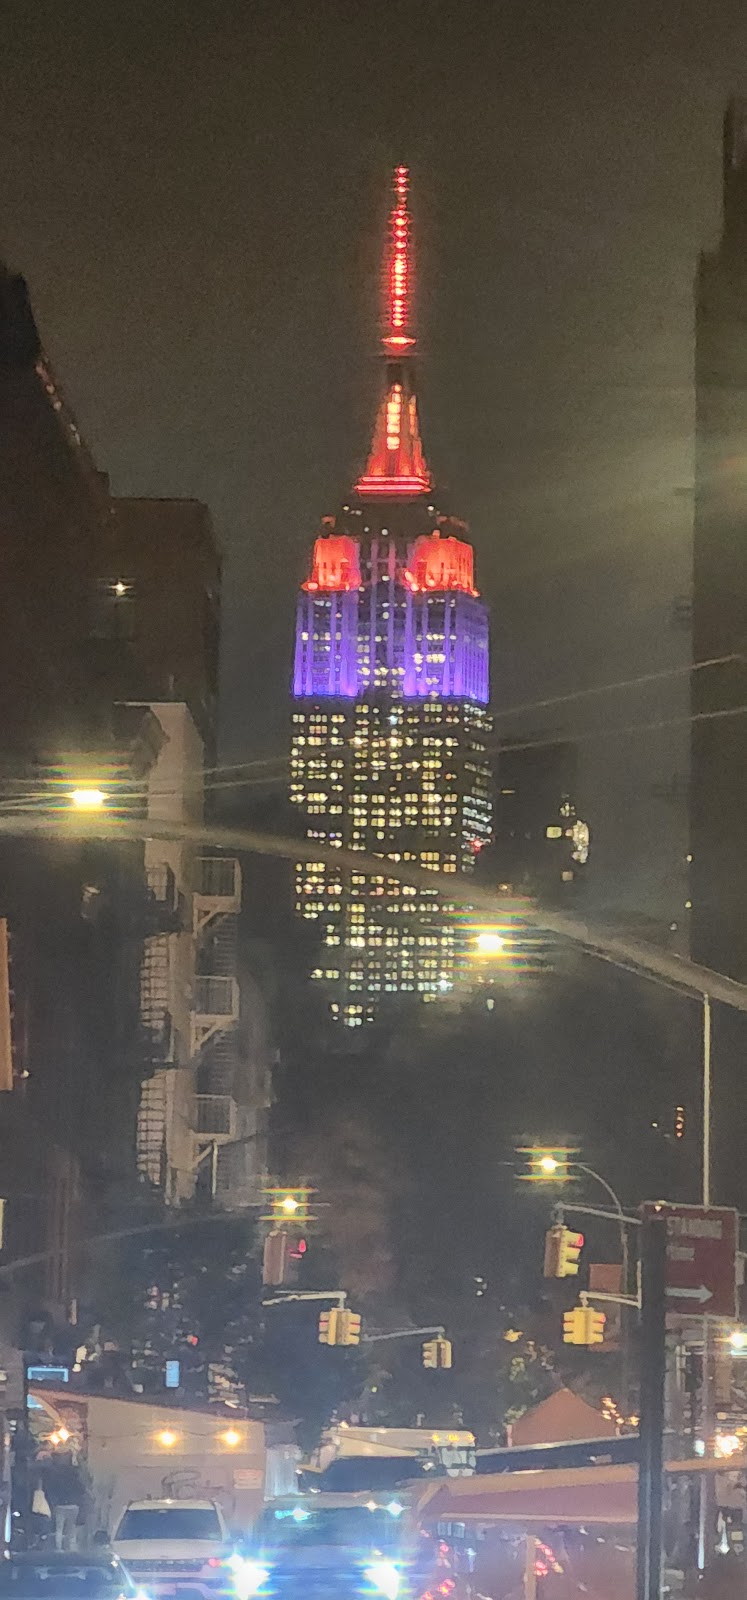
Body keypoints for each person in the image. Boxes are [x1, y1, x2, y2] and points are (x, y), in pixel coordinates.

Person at [41, 1452, 83, 1551]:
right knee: (71, 1528)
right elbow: (81, 1489)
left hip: (60, 1505)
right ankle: (72, 1548)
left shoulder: (56, 1475)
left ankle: (59, 1548)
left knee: (59, 1528)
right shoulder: (74, 1475)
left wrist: (54, 1502)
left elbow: (51, 1489)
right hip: (73, 1505)